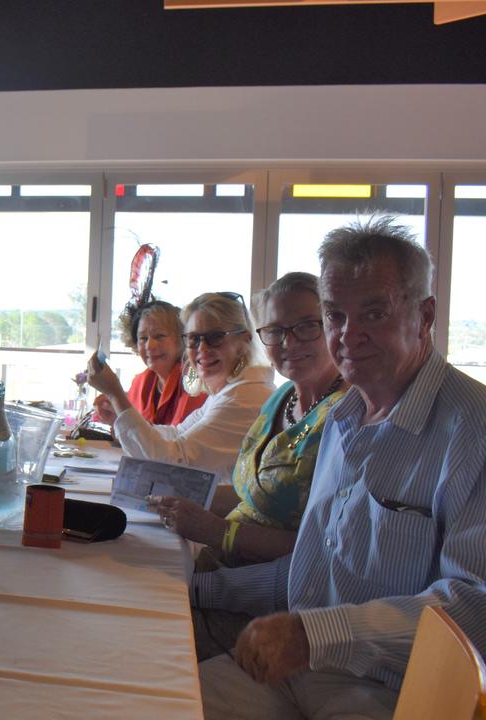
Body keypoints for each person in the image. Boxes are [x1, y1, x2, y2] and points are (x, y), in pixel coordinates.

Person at [194, 217, 486, 720]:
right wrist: (195, 589)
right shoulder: (343, 419)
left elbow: (472, 609)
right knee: (151, 693)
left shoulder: (472, 430)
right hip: (297, 675)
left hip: (393, 695)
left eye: (374, 312)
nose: (349, 335)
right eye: (335, 316)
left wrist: (316, 635)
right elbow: (313, 571)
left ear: (425, 315)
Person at [150, 273, 348, 568]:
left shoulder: (347, 416)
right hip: (217, 566)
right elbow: (254, 498)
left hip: (264, 593)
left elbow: (327, 545)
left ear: (336, 327)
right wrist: (182, 498)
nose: (288, 342)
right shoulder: (280, 398)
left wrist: (219, 532)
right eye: (275, 330)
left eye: (307, 326)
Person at [86, 292, 275, 488]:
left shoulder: (242, 397)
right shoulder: (227, 391)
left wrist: (115, 394)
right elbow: (176, 434)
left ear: (243, 341)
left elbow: (173, 464)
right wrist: (119, 414)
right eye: (193, 339)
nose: (202, 348)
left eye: (215, 337)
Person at [93, 299, 205, 427]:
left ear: (182, 339)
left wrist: (116, 395)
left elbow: (175, 441)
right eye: (143, 338)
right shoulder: (140, 382)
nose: (150, 345)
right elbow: (134, 437)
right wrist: (115, 419)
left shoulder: (194, 380)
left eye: (159, 336)